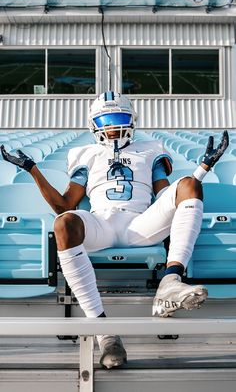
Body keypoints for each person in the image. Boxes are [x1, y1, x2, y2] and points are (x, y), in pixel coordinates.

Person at [1, 91, 229, 369]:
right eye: (107, 120)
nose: (114, 125)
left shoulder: (150, 149)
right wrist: (32, 169)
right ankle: (103, 332)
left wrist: (202, 169)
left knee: (190, 184)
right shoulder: (85, 154)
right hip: (103, 224)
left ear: (133, 120)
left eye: (120, 118)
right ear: (94, 124)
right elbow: (64, 206)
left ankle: (170, 282)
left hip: (141, 223)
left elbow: (166, 196)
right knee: (64, 224)